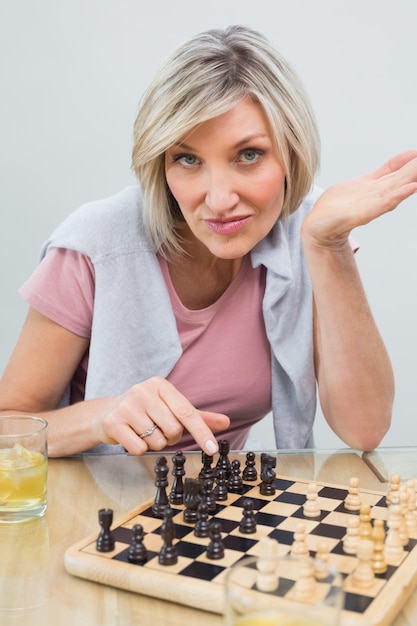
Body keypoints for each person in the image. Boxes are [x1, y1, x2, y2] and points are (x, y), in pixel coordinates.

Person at [0, 25, 416, 458]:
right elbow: (6, 427)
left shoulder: (308, 231)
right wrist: (100, 417)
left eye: (248, 155)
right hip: (99, 509)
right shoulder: (94, 246)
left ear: (293, 151)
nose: (219, 200)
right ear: (159, 163)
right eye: (187, 159)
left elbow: (364, 430)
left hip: (224, 507)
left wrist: (329, 246)